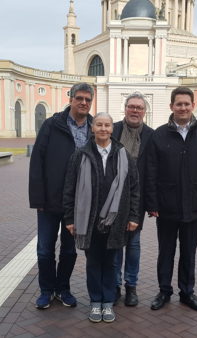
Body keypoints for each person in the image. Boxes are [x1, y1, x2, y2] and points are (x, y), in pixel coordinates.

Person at [145, 86, 197, 313]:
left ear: (192, 106)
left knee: (189, 252)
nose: (183, 108)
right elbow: (150, 172)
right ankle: (164, 291)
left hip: (194, 205)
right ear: (171, 107)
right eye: (179, 104)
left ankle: (187, 292)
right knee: (165, 251)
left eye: (187, 104)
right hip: (166, 207)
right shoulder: (158, 135)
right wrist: (152, 204)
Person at [63, 112, 140, 323]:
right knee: (93, 263)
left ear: (112, 129)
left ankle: (108, 302)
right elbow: (69, 189)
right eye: (99, 125)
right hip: (89, 220)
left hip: (117, 220)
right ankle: (96, 302)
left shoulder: (123, 154)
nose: (103, 129)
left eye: (107, 125)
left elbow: (134, 188)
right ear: (92, 128)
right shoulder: (80, 154)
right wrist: (70, 219)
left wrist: (134, 216)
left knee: (112, 264)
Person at [28, 82, 95, 309]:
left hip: (78, 204)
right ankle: (46, 290)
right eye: (80, 98)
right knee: (45, 248)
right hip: (50, 200)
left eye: (88, 99)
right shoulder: (52, 125)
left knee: (69, 250)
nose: (84, 103)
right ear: (71, 99)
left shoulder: (95, 128)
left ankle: (63, 289)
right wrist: (37, 198)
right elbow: (37, 162)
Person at [112, 92, 154, 306]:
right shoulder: (113, 130)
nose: (135, 110)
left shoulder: (151, 135)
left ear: (144, 111)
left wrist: (153, 202)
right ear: (125, 109)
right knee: (116, 243)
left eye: (139, 107)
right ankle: (115, 285)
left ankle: (131, 286)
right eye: (131, 106)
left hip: (138, 197)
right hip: (113, 197)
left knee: (134, 244)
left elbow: (155, 171)